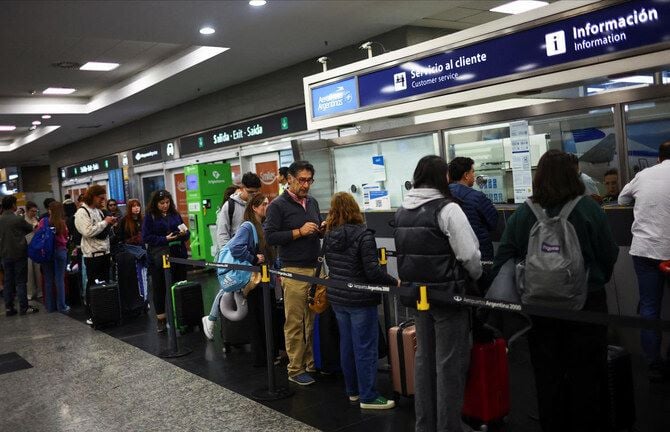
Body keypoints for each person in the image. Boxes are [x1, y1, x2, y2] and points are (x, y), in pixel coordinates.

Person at [493, 149, 618, 431]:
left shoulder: (525, 212)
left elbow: (505, 257)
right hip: (586, 305)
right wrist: (594, 281)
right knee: (587, 373)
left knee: (547, 374)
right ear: (573, 176)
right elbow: (608, 253)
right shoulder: (588, 209)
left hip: (539, 307)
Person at [394, 155, 481, 431]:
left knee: (423, 363)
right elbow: (469, 255)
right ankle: (449, 427)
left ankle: (425, 425)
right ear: (440, 177)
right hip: (448, 296)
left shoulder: (403, 209)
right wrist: (477, 275)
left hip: (419, 298)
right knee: (449, 366)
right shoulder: (448, 209)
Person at [324, 192, 398, 410]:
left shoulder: (329, 234)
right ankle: (369, 396)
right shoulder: (363, 235)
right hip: (361, 299)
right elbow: (372, 272)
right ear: (355, 209)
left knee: (347, 345)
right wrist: (394, 281)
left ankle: (353, 391)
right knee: (365, 347)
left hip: (338, 298)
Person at [265, 160, 324, 386]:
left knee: (311, 320)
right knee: (295, 322)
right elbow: (270, 237)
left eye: (309, 180)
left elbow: (314, 231)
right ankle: (295, 368)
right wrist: (299, 231)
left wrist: (320, 230)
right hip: (293, 269)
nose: (306, 185)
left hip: (314, 268)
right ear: (289, 179)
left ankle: (310, 363)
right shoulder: (278, 205)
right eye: (302, 180)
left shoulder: (313, 203)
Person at [202, 194, 277, 364]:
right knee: (258, 319)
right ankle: (261, 358)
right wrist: (253, 259)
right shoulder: (248, 226)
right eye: (264, 204)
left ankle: (267, 356)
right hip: (255, 281)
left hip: (264, 279)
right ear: (254, 207)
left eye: (267, 204)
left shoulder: (262, 225)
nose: (267, 207)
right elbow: (236, 247)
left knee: (265, 318)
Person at [618, 141, 670, 382]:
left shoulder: (643, 175)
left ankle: (653, 365)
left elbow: (621, 200)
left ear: (659, 157)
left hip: (645, 250)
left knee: (649, 308)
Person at [142, 190, 189, 333]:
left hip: (178, 255)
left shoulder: (175, 214)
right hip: (159, 257)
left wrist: (183, 234)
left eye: (167, 202)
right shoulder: (150, 217)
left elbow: (186, 232)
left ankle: (182, 317)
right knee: (160, 288)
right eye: (162, 203)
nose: (165, 205)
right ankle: (161, 320)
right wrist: (164, 239)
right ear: (156, 203)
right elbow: (146, 237)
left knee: (180, 285)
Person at [448, 156, 498, 290]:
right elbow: (493, 221)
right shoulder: (477, 197)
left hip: (451, 258)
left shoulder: (442, 196)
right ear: (466, 175)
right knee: (483, 293)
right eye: (472, 172)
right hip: (479, 255)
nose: (474, 175)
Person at [74, 185, 116, 325]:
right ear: (93, 196)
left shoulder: (98, 211)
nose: (103, 201)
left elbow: (101, 230)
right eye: (101, 198)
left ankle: (104, 311)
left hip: (105, 252)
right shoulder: (82, 212)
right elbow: (87, 231)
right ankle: (92, 313)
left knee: (105, 284)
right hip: (92, 255)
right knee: (92, 284)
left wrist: (109, 224)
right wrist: (105, 222)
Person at [0, 195, 39, 316]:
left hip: (5, 254)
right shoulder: (18, 219)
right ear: (13, 205)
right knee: (21, 281)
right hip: (19, 254)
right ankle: (24, 307)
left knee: (8, 281)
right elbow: (30, 229)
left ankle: (9, 308)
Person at [215, 172, 261, 253]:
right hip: (236, 254)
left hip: (257, 255)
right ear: (242, 187)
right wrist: (228, 253)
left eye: (256, 192)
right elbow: (222, 233)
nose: (253, 195)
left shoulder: (260, 205)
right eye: (250, 192)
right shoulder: (230, 205)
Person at [39, 201, 70, 313]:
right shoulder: (62, 223)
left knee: (48, 279)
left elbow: (39, 234)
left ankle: (50, 306)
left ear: (50, 210)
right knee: (59, 279)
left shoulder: (43, 221)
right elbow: (66, 237)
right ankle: (61, 306)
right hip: (60, 252)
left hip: (47, 252)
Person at [24, 201, 43, 300]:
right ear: (27, 210)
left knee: (38, 271)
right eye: (32, 211)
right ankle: (30, 293)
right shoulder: (22, 220)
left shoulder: (36, 219)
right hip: (26, 248)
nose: (34, 213)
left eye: (36, 211)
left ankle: (39, 291)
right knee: (29, 273)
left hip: (36, 248)